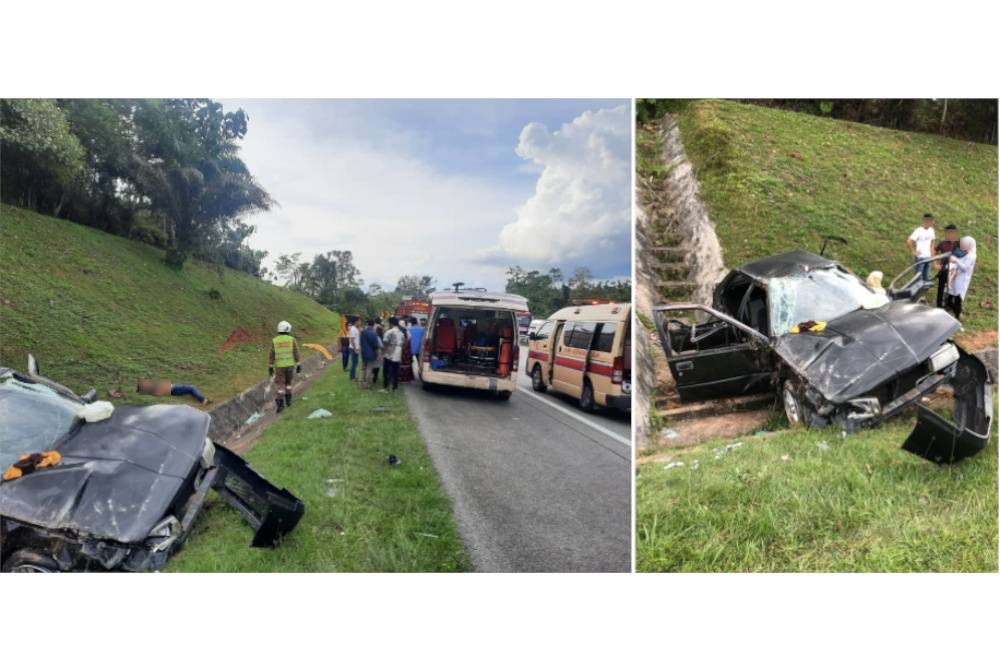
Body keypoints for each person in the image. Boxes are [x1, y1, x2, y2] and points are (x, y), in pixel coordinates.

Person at [269, 320, 301, 413]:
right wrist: (298, 363)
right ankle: (289, 401)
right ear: (288, 329)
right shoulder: (291, 339)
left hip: (279, 367)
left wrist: (270, 365)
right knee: (288, 384)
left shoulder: (275, 340)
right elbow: (296, 352)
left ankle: (280, 405)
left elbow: (272, 354)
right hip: (290, 365)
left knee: (280, 386)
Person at [946, 236, 977, 324]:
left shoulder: (971, 256)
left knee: (957, 299)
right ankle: (955, 314)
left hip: (962, 281)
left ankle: (957, 317)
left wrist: (956, 260)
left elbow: (965, 268)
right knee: (950, 297)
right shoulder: (967, 253)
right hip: (956, 278)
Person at [933, 224, 960, 309]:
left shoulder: (960, 245)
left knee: (951, 289)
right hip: (943, 270)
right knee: (940, 288)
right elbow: (934, 252)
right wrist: (935, 263)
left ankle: (949, 305)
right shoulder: (943, 243)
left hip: (954, 272)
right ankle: (939, 306)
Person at [906, 213, 936, 284]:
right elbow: (909, 241)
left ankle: (923, 292)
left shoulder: (931, 230)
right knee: (918, 277)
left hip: (928, 258)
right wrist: (913, 252)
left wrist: (932, 252)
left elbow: (933, 241)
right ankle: (916, 293)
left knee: (926, 277)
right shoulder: (918, 231)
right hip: (920, 258)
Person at [136, 379, 210, 405]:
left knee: (190, 388)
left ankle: (201, 399)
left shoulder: (153, 386)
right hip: (174, 389)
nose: (147, 382)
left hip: (174, 386)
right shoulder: (154, 390)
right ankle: (203, 400)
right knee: (192, 388)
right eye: (145, 383)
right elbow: (162, 393)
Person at [381, 317, 405, 392]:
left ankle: (386, 388)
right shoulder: (401, 333)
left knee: (386, 371)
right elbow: (403, 343)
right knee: (396, 371)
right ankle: (395, 388)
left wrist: (382, 353)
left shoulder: (389, 332)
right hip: (398, 354)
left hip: (389, 353)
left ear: (390, 323)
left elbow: (385, 343)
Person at [359, 319, 383, 389]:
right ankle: (367, 384)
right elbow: (375, 345)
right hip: (371, 353)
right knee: (369, 368)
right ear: (373, 325)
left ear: (367, 324)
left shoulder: (363, 332)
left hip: (363, 352)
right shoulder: (374, 333)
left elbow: (361, 342)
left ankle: (360, 383)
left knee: (363, 368)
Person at [372, 317, 384, 385]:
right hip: (379, 345)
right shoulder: (381, 327)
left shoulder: (373, 326)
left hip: (372, 346)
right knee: (378, 362)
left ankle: (372, 375)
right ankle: (375, 377)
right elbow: (382, 336)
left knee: (372, 362)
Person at [348, 316, 360, 381]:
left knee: (355, 362)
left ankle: (353, 376)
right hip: (353, 348)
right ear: (355, 321)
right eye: (359, 321)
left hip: (355, 348)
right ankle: (352, 377)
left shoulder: (355, 328)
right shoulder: (353, 329)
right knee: (354, 363)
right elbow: (352, 340)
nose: (359, 322)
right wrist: (355, 349)